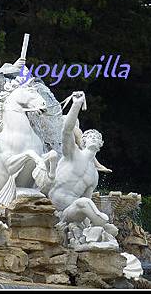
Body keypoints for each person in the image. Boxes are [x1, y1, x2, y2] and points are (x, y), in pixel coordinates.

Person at [48, 91, 109, 226]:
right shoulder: (72, 153)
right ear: (83, 141)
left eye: (97, 138)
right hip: (50, 203)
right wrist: (76, 104)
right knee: (86, 204)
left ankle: (97, 228)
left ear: (100, 145)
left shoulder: (94, 175)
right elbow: (67, 131)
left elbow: (87, 200)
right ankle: (102, 226)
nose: (94, 138)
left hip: (69, 212)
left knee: (85, 202)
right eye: (90, 137)